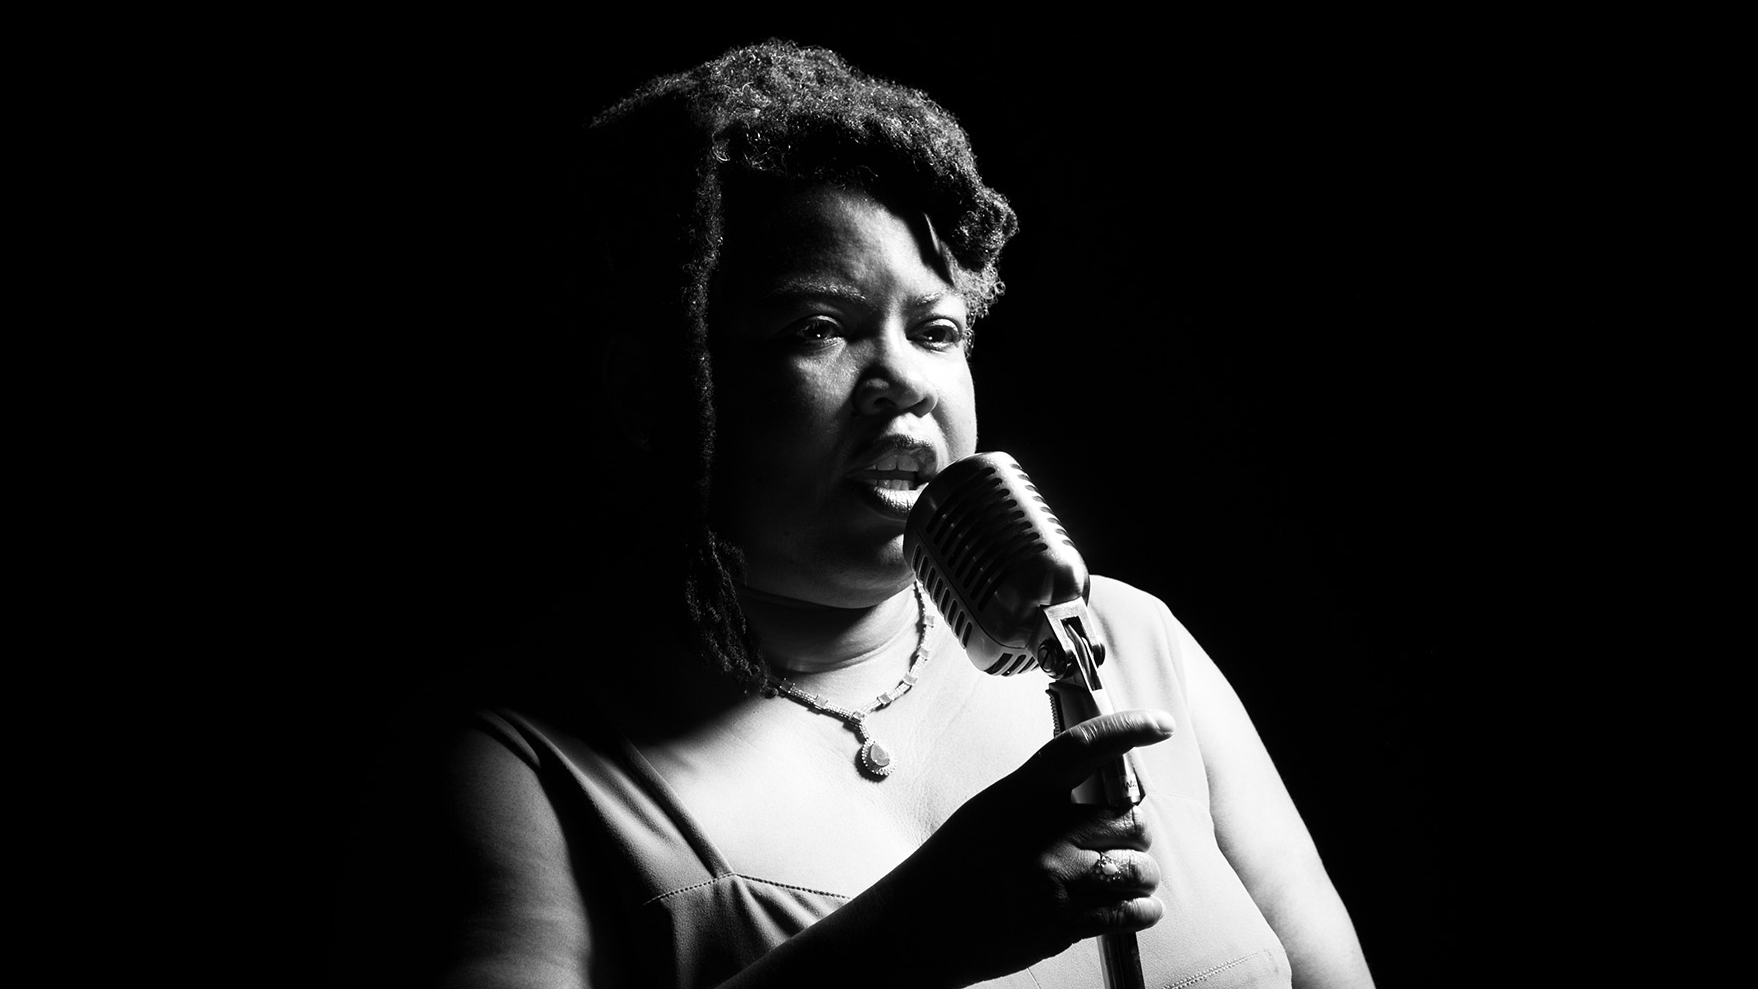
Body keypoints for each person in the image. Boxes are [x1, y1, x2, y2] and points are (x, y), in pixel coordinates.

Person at [334, 40, 1375, 988]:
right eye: (819, 327)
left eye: (937, 329)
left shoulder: (1137, 642)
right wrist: (905, 944)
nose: (905, 381)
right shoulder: (520, 762)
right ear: (651, 389)